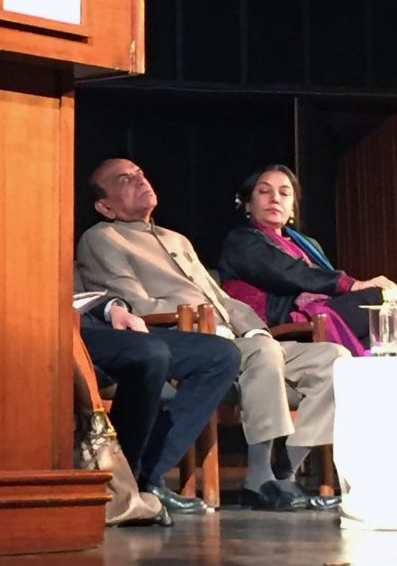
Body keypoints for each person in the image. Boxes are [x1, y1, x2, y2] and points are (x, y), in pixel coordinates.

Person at [76, 157, 351, 512]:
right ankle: (259, 478)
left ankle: (285, 473)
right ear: (105, 206)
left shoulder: (175, 238)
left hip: (234, 336)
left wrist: (255, 328)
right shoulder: (102, 238)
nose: (140, 179)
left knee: (334, 359)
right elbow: (131, 305)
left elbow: (221, 298)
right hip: (188, 339)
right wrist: (203, 326)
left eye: (140, 173)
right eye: (124, 179)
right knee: (261, 354)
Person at [78, 296, 240, 515]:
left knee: (221, 355)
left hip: (98, 321)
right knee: (151, 352)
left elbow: (84, 294)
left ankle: (146, 473)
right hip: (65, 330)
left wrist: (113, 308)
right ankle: (124, 479)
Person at [218, 164, 397, 355]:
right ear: (248, 204)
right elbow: (287, 272)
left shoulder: (307, 245)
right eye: (264, 191)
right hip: (280, 321)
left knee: (385, 317)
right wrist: (350, 284)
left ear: (292, 209)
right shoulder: (240, 241)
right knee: (375, 299)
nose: (275, 198)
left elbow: (322, 281)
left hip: (319, 311)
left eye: (284, 193)